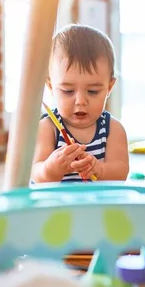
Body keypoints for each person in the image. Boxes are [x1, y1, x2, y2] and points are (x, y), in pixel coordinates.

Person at [31, 24, 129, 183]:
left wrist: (99, 168)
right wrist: (52, 168)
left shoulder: (113, 129)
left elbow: (120, 173)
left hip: (97, 206)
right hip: (57, 206)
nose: (81, 101)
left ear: (109, 87)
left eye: (93, 91)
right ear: (50, 86)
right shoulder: (48, 127)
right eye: (68, 91)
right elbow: (36, 174)